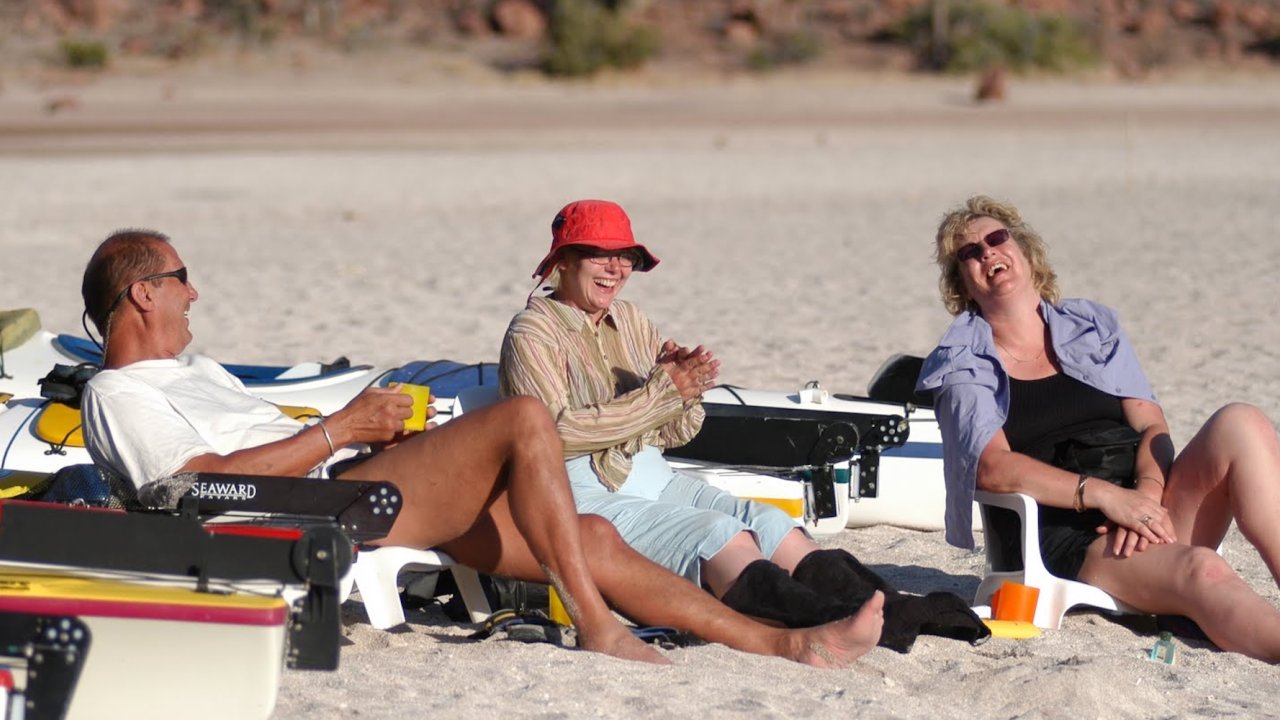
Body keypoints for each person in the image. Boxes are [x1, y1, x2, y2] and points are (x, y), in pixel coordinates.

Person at [78, 228, 886, 668]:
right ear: (143, 292)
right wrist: (340, 431)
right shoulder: (120, 394)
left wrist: (369, 428)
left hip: (350, 479)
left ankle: (788, 642)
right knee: (527, 417)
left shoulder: (198, 371)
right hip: (312, 501)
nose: (194, 291)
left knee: (594, 535)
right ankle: (595, 622)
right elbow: (186, 487)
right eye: (181, 277)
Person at [500, 200, 987, 649]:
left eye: (625, 255)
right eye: (600, 255)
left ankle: (898, 612)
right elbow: (553, 436)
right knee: (718, 533)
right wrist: (661, 394)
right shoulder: (533, 332)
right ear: (563, 261)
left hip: (651, 473)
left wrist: (684, 394)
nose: (616, 268)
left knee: (770, 523)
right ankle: (833, 624)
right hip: (582, 492)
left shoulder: (629, 320)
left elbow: (675, 433)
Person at [916, 195, 1280, 662]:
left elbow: (1151, 423)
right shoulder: (962, 363)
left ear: (1025, 252)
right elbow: (993, 468)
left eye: (996, 239)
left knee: (1241, 422)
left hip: (1148, 508)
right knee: (1204, 571)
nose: (986, 252)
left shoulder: (1089, 327)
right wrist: (1108, 497)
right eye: (969, 253)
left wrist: (1145, 494)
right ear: (962, 283)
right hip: (1075, 537)